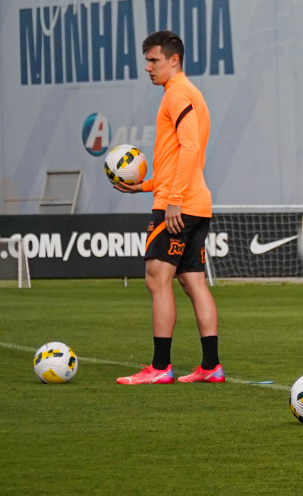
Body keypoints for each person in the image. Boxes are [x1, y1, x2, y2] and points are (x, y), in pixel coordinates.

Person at [114, 31, 222, 385]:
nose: (147, 67)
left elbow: (190, 148)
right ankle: (211, 367)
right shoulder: (187, 93)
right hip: (193, 202)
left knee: (156, 280)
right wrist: (144, 186)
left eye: (154, 60)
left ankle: (160, 368)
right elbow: (178, 155)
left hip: (179, 205)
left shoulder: (178, 93)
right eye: (146, 60)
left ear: (174, 60)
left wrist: (172, 199)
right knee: (193, 281)